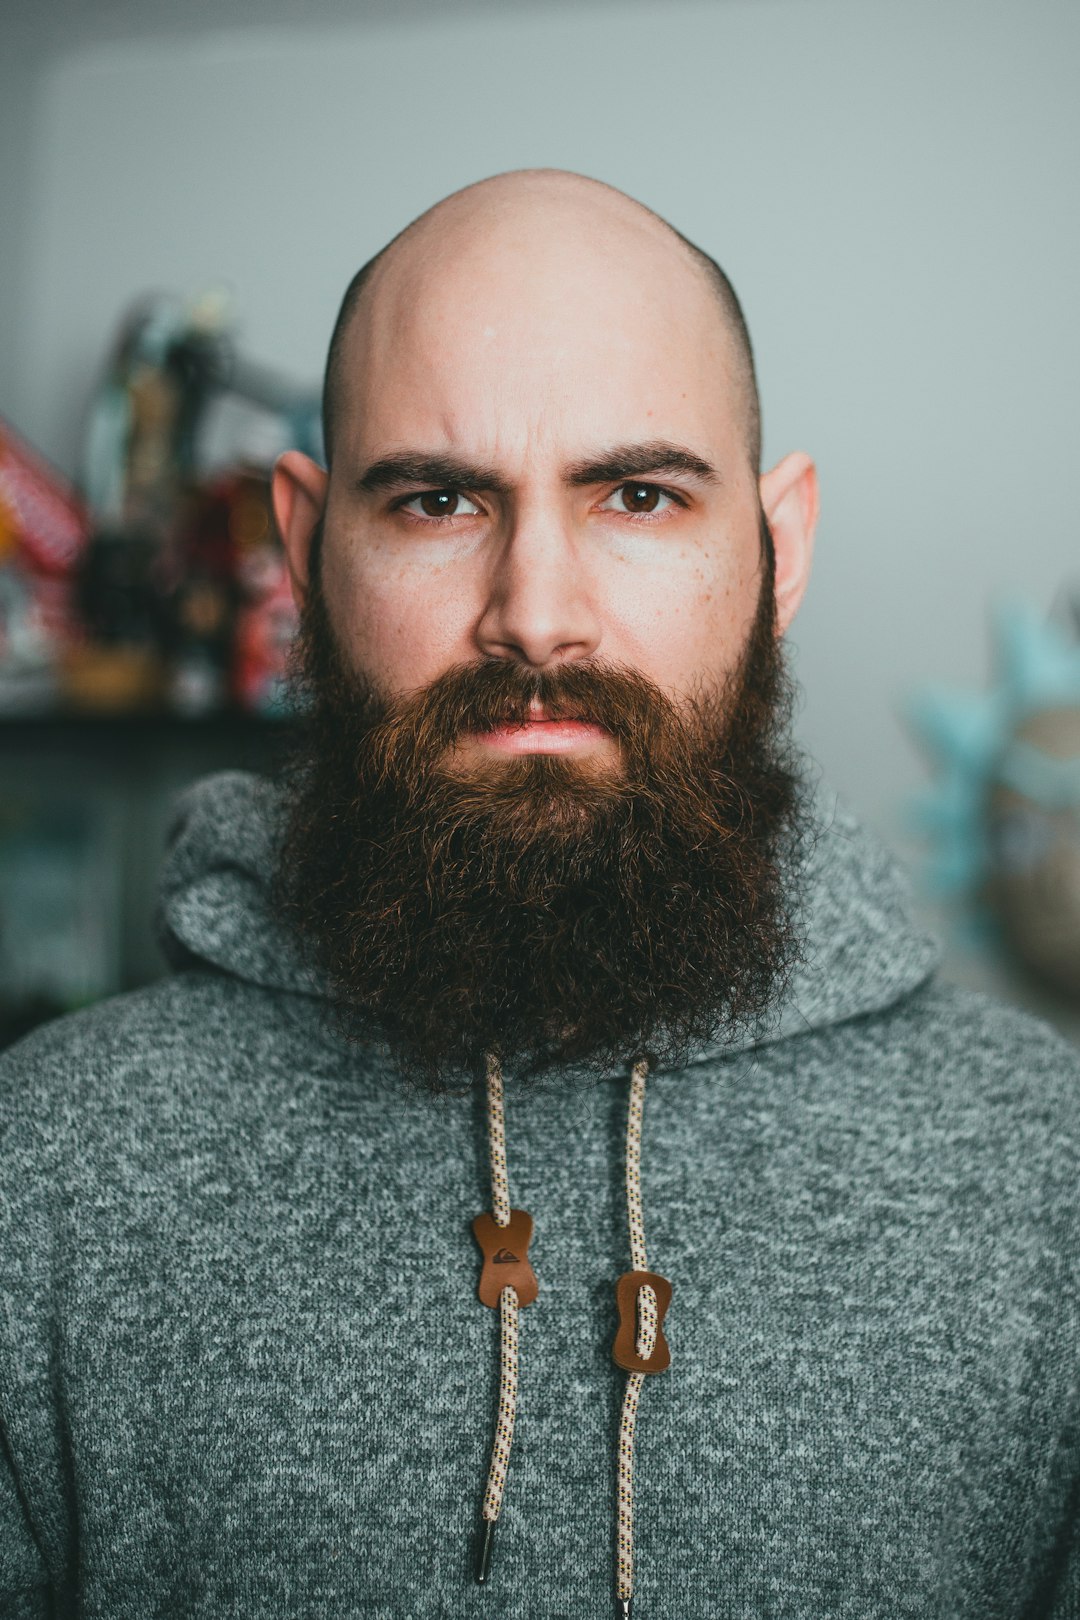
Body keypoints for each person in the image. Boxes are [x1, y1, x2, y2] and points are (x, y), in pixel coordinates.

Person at [1, 170, 1079, 1620]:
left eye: (638, 494)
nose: (536, 611)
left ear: (780, 551)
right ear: (310, 552)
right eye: (438, 499)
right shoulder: (44, 1171)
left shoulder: (1048, 1173)